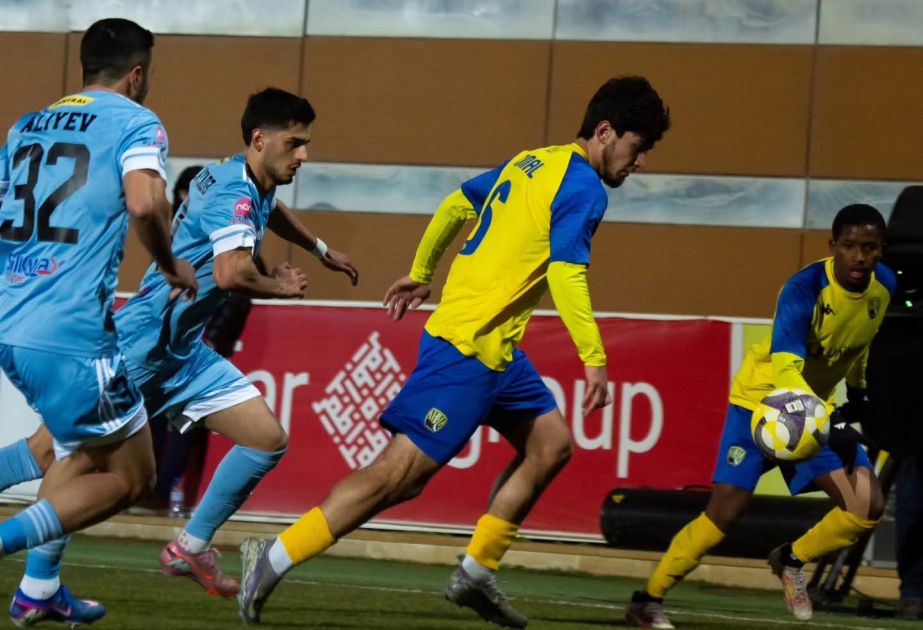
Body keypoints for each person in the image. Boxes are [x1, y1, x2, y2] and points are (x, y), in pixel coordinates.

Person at [237, 75, 671, 626]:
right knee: (397, 476)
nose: (640, 162)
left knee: (551, 444)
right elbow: (566, 274)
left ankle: (476, 571)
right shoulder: (584, 187)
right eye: (638, 147)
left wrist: (423, 272)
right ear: (605, 132)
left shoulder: (533, 161)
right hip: (467, 349)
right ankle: (272, 555)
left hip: (498, 351)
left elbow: (454, 204)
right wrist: (594, 359)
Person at [1, 87, 359, 607]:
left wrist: (320, 248)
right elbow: (231, 273)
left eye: (306, 143)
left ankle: (188, 548)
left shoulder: (244, 176)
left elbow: (270, 209)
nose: (303, 154)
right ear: (260, 139)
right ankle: (37, 587)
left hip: (183, 351)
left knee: (265, 439)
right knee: (55, 457)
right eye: (295, 143)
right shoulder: (234, 193)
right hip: (142, 345)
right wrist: (281, 285)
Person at [0, 17, 198, 626]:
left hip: (11, 320)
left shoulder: (26, 126)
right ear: (136, 74)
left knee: (68, 452)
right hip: (70, 332)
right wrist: (171, 264)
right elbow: (145, 201)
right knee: (131, 475)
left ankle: (39, 589)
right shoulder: (137, 122)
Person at [625, 204, 895, 629]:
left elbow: (861, 341)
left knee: (867, 505)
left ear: (882, 249)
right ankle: (648, 599)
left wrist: (858, 392)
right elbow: (786, 370)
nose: (860, 257)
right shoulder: (804, 288)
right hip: (763, 405)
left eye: (869, 247)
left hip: (812, 412)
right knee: (723, 515)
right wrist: (834, 423)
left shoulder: (885, 286)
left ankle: (791, 559)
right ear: (833, 246)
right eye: (849, 246)